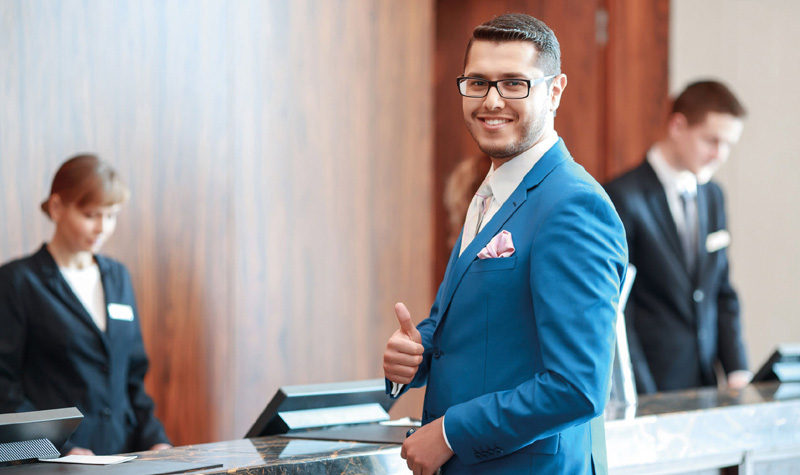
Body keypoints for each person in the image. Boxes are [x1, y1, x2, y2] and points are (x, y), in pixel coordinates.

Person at [383, 14, 627, 475]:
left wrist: (450, 433)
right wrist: (415, 354)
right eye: (478, 82)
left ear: (555, 91)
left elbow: (578, 387)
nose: (492, 101)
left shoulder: (574, 205)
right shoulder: (492, 190)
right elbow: (482, 325)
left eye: (514, 83)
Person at [0, 154, 171, 455]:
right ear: (57, 207)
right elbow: (4, 387)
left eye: (112, 216)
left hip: (122, 457)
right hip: (54, 463)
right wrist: (61, 449)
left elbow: (132, 379)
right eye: (91, 215)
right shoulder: (18, 281)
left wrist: (156, 441)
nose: (102, 228)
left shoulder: (118, 277)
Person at [604, 80, 750, 395]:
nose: (719, 155)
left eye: (728, 144)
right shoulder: (622, 197)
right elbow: (619, 308)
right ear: (678, 126)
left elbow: (721, 290)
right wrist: (641, 392)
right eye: (711, 140)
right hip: (651, 386)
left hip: (706, 383)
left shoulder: (713, 196)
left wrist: (737, 370)